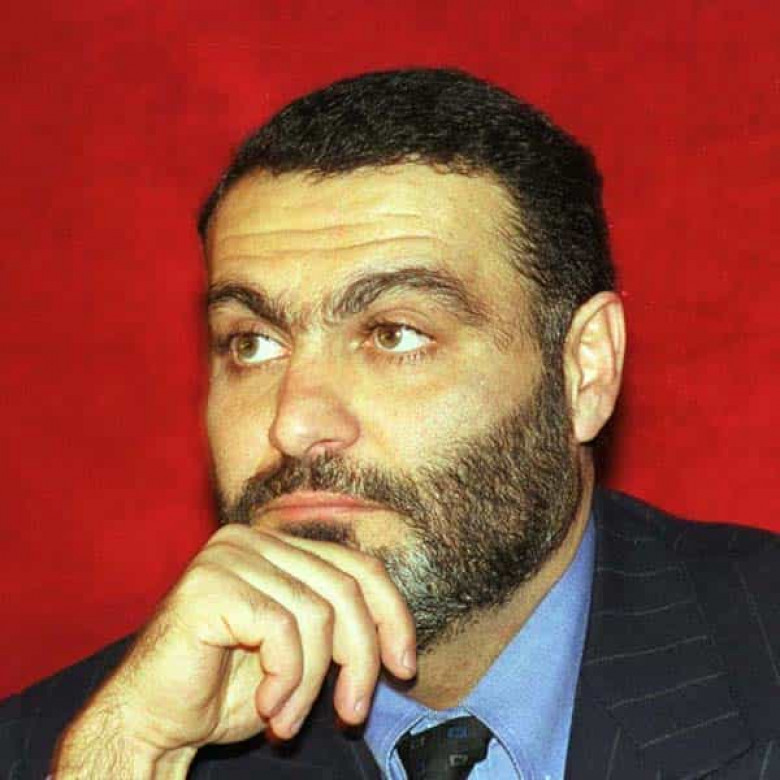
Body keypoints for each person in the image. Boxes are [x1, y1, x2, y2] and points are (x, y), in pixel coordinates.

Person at [2, 68, 778, 780]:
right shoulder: (74, 745)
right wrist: (129, 754)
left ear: (586, 370)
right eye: (252, 343)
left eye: (394, 334)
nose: (294, 424)